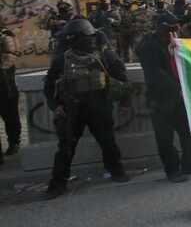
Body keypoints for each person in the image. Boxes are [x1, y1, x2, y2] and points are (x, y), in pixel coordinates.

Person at [42, 18, 132, 199]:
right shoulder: (62, 59)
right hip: (71, 109)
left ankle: (116, 170)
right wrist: (56, 105)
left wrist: (125, 103)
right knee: (66, 147)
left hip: (99, 107)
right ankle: (58, 183)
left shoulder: (105, 55)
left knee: (108, 142)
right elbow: (49, 86)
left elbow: (122, 78)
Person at [136, 12, 191, 182]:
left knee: (187, 134)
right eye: (171, 25)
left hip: (180, 97)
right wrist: (177, 88)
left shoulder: (178, 42)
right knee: (165, 138)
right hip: (161, 98)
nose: (176, 28)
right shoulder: (149, 46)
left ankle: (189, 164)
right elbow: (155, 73)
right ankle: (172, 169)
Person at [0, 25, 22, 159]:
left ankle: (14, 142)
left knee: (10, 116)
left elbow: (8, 59)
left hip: (4, 83)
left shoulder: (6, 35)